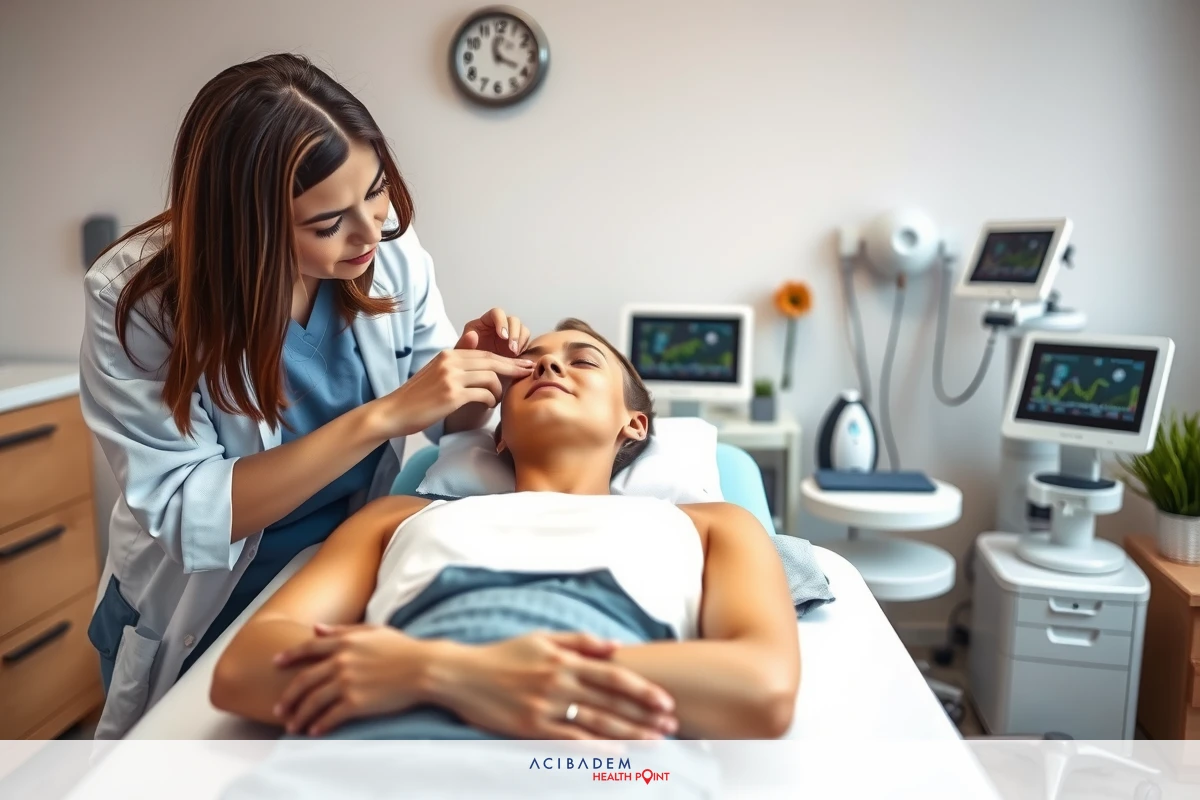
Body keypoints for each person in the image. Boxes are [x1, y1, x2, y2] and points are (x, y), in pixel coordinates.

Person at [80, 53, 535, 740]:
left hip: (328, 578)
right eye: (326, 223)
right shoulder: (140, 301)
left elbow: (453, 426)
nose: (371, 231)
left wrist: (473, 376)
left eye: (376, 191)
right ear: (248, 225)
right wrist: (385, 415)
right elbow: (189, 510)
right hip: (196, 599)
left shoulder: (386, 249)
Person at [210, 320, 801, 740]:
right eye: (531, 363)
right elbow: (244, 672)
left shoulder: (709, 525)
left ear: (635, 425)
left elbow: (762, 691)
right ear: (498, 435)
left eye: (582, 361)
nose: (547, 364)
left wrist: (457, 674)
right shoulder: (399, 515)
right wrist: (453, 674)